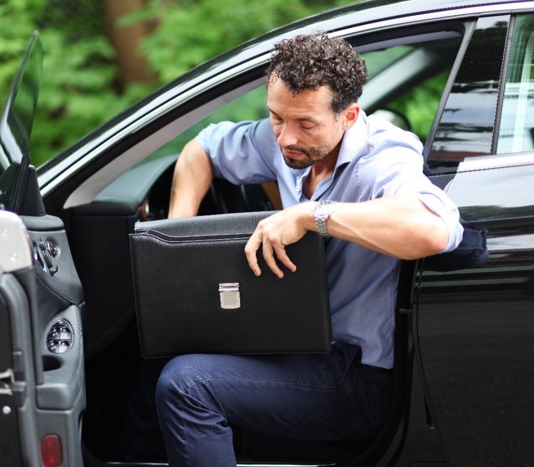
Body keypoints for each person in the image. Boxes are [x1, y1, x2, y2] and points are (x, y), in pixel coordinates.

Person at [152, 33, 464, 466]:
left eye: (305, 124)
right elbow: (200, 149)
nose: (284, 138)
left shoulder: (384, 157)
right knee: (157, 356)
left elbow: (435, 229)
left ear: (350, 116)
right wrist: (179, 233)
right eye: (277, 117)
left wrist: (310, 215)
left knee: (186, 384)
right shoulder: (284, 138)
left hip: (358, 376)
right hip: (296, 341)